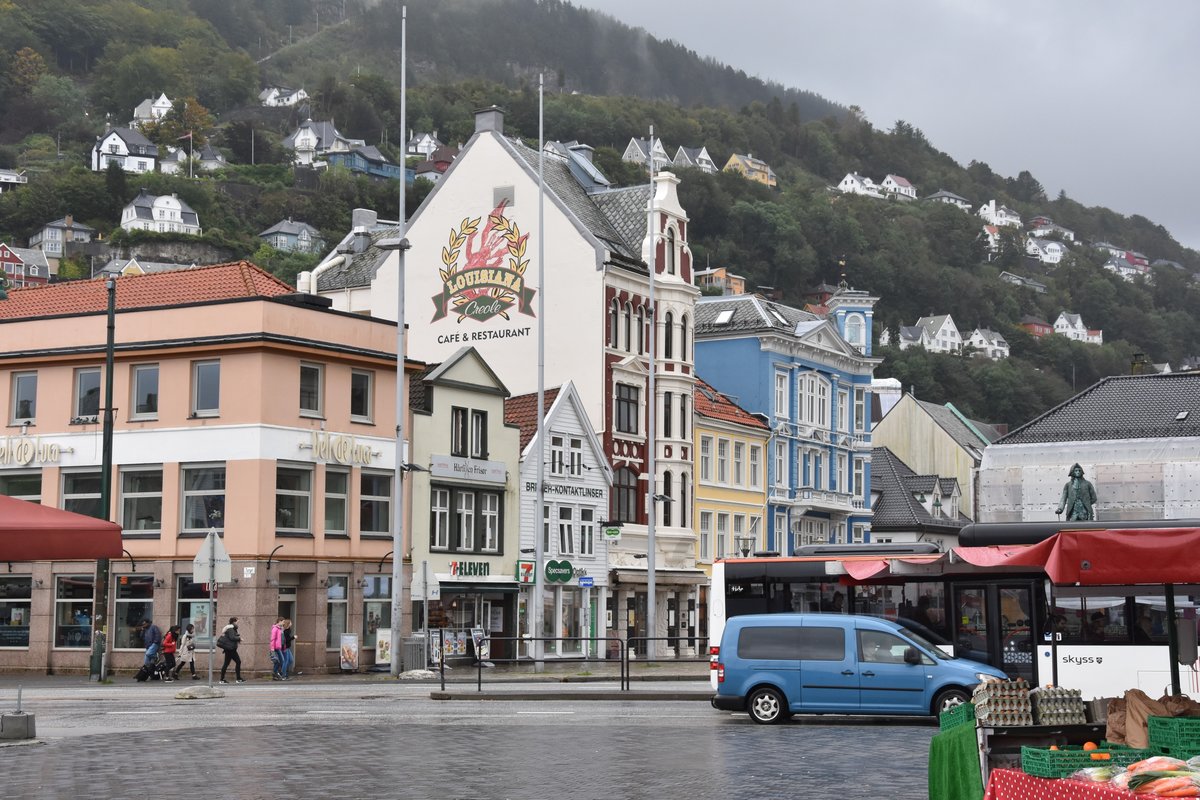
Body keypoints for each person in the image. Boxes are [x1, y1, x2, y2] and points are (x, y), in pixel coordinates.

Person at [217, 617, 244, 684]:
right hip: (230, 649)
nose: (238, 623)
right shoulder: (230, 629)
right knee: (238, 661)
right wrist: (239, 638)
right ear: (234, 622)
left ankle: (222, 679)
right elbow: (232, 637)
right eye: (237, 622)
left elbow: (232, 637)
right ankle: (238, 679)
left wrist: (237, 637)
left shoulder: (231, 628)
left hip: (229, 649)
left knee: (226, 664)